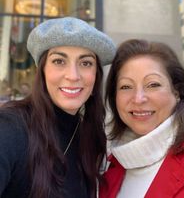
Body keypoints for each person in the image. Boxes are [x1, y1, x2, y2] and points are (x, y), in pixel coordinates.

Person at [0, 17, 116, 198]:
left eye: (85, 63)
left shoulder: (89, 135)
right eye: (59, 61)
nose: (73, 76)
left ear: (96, 75)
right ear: (43, 70)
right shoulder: (9, 127)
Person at [100, 39, 184, 198]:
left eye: (153, 85)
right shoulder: (113, 166)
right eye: (126, 87)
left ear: (178, 91)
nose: (138, 99)